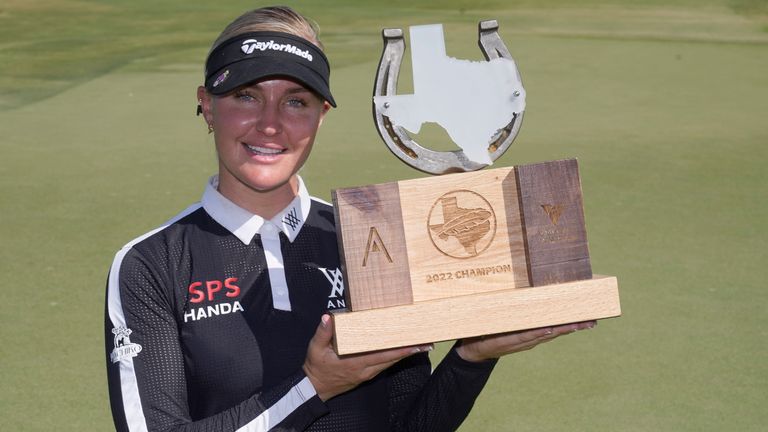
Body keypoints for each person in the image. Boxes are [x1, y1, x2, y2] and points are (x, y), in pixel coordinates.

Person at [104, 6, 595, 432]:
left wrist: (472, 357)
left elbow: (409, 424)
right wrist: (313, 387)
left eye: (296, 101)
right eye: (246, 96)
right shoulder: (152, 265)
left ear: (321, 115)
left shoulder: (368, 238)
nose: (270, 123)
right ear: (207, 105)